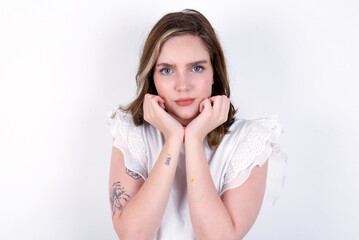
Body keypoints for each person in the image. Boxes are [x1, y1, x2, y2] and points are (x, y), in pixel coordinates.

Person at [107, 9, 287, 240]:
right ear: (152, 78)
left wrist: (193, 139)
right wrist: (173, 139)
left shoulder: (251, 139)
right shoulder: (131, 132)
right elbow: (133, 236)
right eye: (167, 70)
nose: (183, 85)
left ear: (215, 73)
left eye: (197, 68)